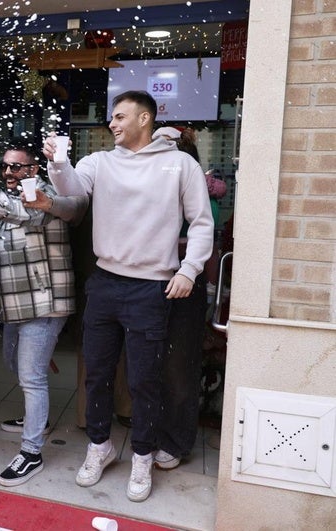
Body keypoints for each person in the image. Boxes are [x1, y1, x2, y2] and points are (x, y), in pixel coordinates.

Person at [44, 90, 214, 502]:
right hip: (104, 282)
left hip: (152, 287)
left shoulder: (180, 165)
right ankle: (99, 446)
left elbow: (202, 223)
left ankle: (141, 455)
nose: (112, 124)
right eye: (111, 118)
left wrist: (189, 270)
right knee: (97, 374)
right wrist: (58, 162)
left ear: (144, 119)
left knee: (144, 380)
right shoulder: (100, 161)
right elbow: (72, 192)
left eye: (120, 117)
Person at [0, 136, 87, 487]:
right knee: (14, 361)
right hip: (17, 304)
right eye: (5, 166)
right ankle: (38, 420)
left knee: (31, 376)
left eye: (17, 166)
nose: (10, 172)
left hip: (46, 301)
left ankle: (31, 452)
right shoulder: (7, 196)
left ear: (33, 168)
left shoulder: (42, 195)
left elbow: (20, 211)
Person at [150, 126, 225, 470]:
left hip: (184, 281)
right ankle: (150, 432)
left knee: (178, 365)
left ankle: (176, 440)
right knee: (147, 363)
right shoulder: (146, 185)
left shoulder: (199, 192)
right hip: (145, 281)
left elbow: (205, 237)